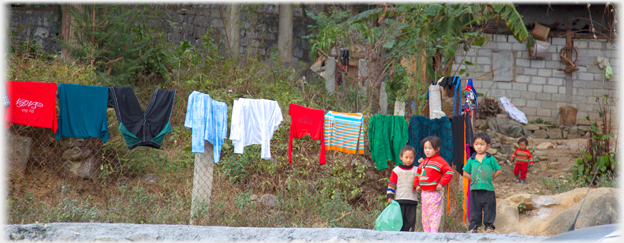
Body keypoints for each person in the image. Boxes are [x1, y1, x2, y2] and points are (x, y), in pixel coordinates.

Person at [413, 136, 454, 233]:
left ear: (437, 149)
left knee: (433, 214)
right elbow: (417, 174)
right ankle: (427, 234)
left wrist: (441, 183)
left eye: (430, 148)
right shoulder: (424, 162)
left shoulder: (439, 161)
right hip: (424, 193)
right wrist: (417, 185)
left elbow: (450, 172)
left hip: (434, 194)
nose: (427, 150)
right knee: (425, 215)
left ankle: (433, 234)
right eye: (425, 148)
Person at [463, 133, 501, 233]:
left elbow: (498, 170)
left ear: (487, 146)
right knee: (475, 208)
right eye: (476, 144)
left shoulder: (490, 158)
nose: (479, 147)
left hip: (488, 189)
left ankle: (489, 226)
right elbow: (465, 172)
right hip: (475, 188)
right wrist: (473, 178)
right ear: (473, 145)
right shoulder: (471, 159)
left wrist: (491, 178)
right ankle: (474, 226)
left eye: (482, 144)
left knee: (489, 207)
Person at [386, 145, 419, 231]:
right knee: (399, 221)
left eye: (411, 157)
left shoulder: (416, 170)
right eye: (406, 157)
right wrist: (390, 196)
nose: (409, 160)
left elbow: (421, 180)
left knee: (410, 222)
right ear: (401, 157)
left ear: (414, 157)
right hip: (399, 200)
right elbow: (392, 184)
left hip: (412, 200)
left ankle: (409, 237)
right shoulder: (396, 170)